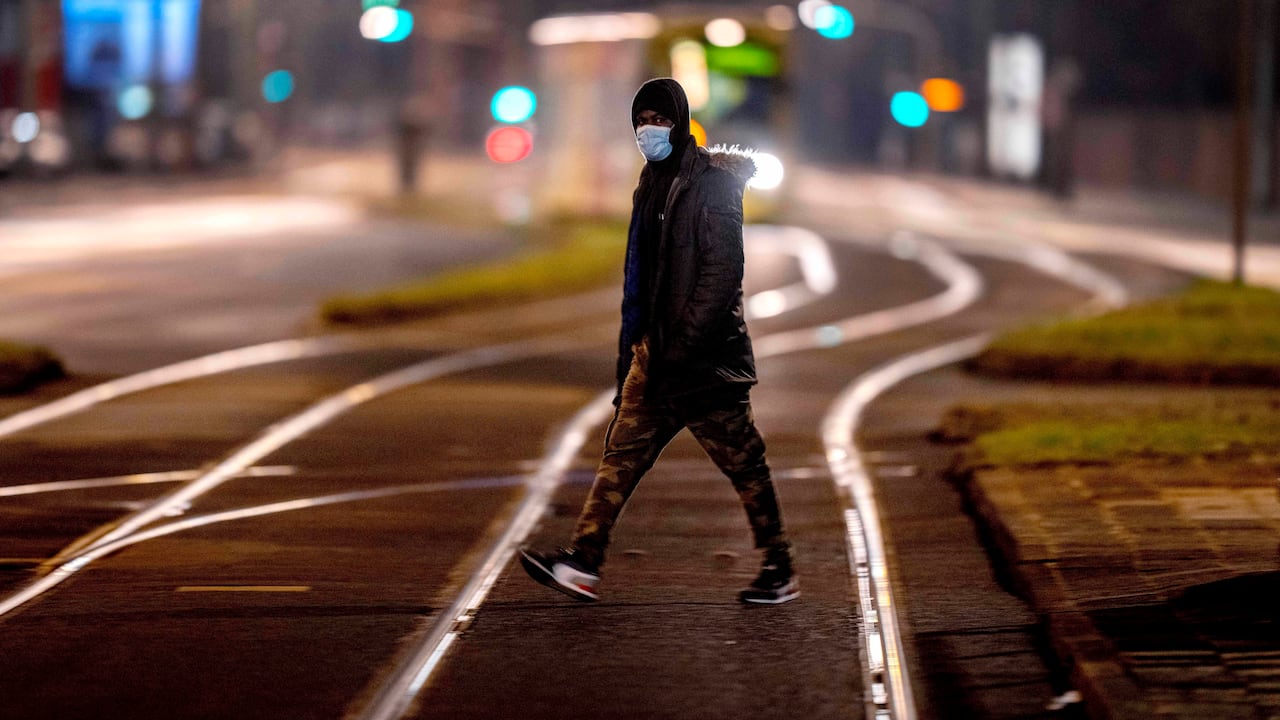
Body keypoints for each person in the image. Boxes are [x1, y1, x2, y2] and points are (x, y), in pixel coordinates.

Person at [520, 78, 796, 605]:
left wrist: (684, 343)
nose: (650, 130)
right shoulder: (650, 182)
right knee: (619, 456)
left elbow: (721, 273)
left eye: (660, 119)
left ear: (681, 121)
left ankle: (779, 565)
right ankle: (583, 562)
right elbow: (640, 278)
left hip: (705, 361)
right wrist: (633, 352)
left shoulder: (712, 185)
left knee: (744, 464)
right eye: (642, 121)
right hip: (655, 355)